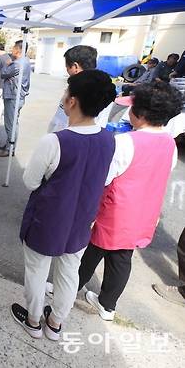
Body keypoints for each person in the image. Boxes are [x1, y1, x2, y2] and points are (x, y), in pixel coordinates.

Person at [11, 70, 116, 341]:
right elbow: (101, 178)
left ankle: (34, 321)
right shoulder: (108, 139)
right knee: (69, 272)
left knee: (37, 270)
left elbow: (31, 182)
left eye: (66, 92)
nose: (63, 96)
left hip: (48, 218)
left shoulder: (55, 140)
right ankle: (55, 324)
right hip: (82, 218)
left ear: (73, 101)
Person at [78, 82, 182, 321]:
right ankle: (107, 304)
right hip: (144, 213)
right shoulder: (170, 143)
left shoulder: (125, 142)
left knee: (92, 251)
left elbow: (103, 178)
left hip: (115, 212)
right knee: (121, 258)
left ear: (140, 114)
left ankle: (70, 288)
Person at [47, 45, 100, 133]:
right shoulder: (101, 87)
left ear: (75, 67)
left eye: (67, 67)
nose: (67, 70)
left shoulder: (78, 90)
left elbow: (65, 121)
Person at [0, 40, 31, 157]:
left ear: (18, 50)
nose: (12, 50)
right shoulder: (25, 61)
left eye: (13, 48)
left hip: (13, 97)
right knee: (13, 122)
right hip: (17, 96)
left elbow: (4, 74)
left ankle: (9, 149)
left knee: (11, 123)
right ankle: (8, 144)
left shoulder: (17, 63)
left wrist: (7, 64)